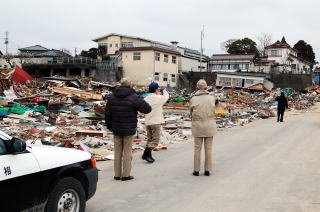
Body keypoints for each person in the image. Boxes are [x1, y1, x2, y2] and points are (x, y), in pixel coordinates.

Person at [105, 77, 152, 181]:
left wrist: (110, 127)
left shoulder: (112, 97)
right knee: (127, 152)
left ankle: (117, 175)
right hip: (128, 129)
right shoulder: (134, 97)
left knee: (117, 152)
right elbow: (147, 109)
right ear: (130, 85)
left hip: (116, 129)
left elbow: (107, 114)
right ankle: (126, 175)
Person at [189, 79, 217, 176]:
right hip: (210, 126)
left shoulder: (193, 99)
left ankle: (196, 170)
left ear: (197, 88)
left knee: (197, 149)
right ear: (206, 88)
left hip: (197, 126)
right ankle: (207, 170)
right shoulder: (212, 98)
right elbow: (215, 110)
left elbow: (190, 113)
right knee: (208, 149)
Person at [142, 82, 169, 163]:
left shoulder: (145, 99)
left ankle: (149, 156)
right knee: (155, 140)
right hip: (156, 122)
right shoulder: (159, 98)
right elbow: (166, 97)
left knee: (150, 139)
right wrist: (164, 91)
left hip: (148, 122)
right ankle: (145, 154)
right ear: (156, 90)